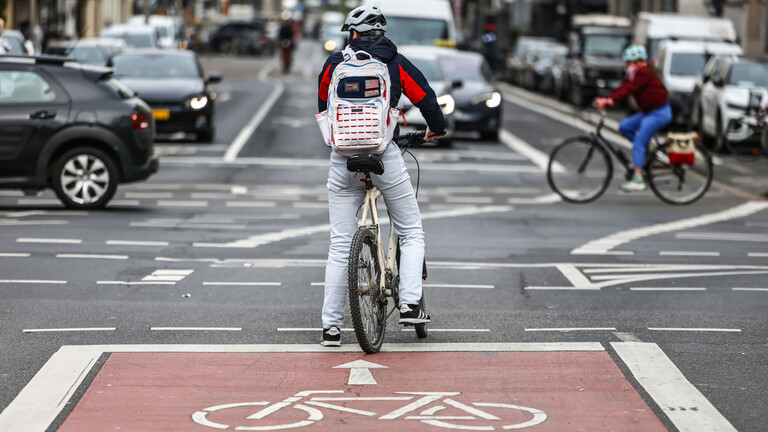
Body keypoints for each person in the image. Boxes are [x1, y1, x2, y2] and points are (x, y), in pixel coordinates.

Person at [317, 5, 446, 347]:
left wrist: (338, 142)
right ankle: (408, 303)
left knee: (340, 245)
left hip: (342, 158)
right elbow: (427, 99)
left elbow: (321, 109)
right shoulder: (397, 63)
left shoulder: (334, 64)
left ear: (354, 33)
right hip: (383, 153)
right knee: (411, 230)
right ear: (382, 33)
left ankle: (331, 328)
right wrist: (436, 129)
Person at [594, 45, 672, 192]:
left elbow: (629, 89)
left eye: (628, 63)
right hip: (649, 112)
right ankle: (646, 151)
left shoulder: (643, 73)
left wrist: (610, 100)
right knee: (624, 127)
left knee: (638, 143)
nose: (627, 66)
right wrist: (608, 98)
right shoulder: (637, 73)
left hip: (659, 113)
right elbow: (625, 86)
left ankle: (638, 179)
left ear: (637, 62)